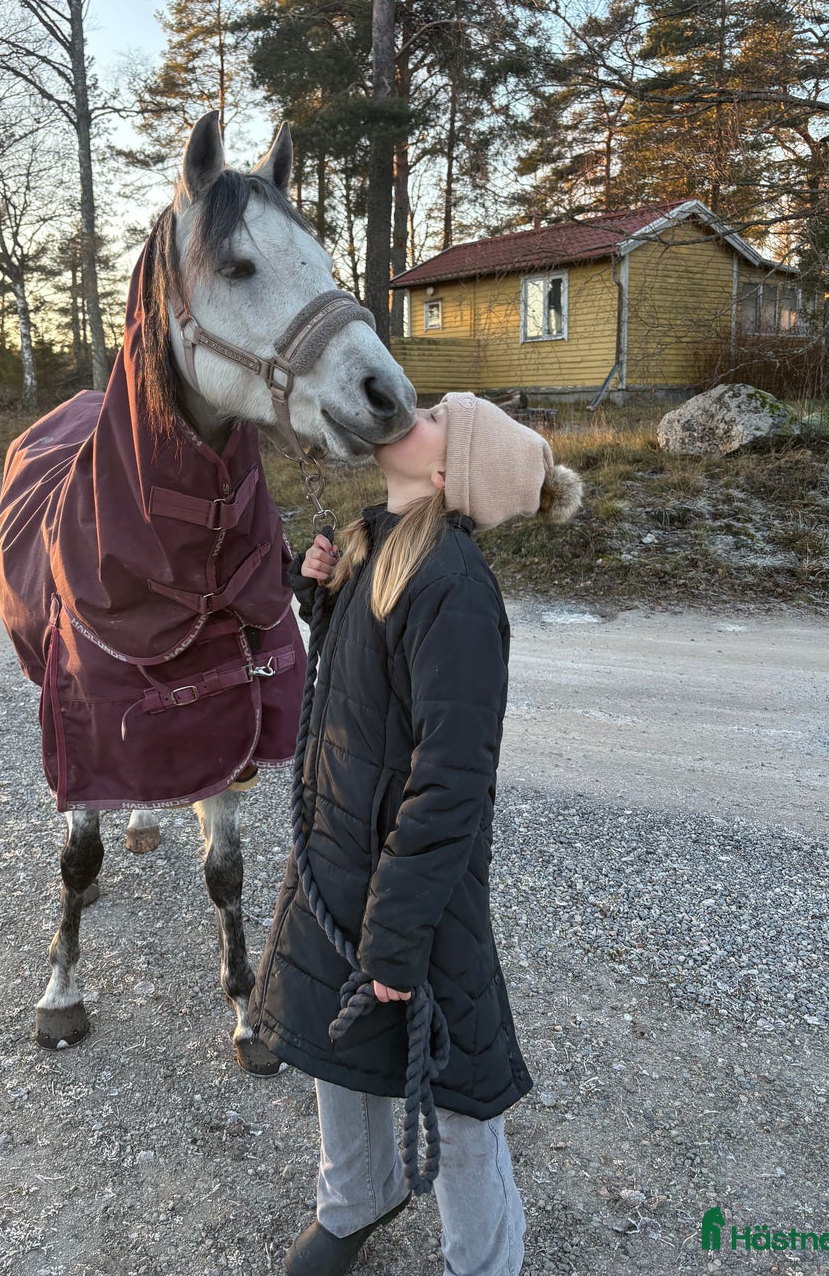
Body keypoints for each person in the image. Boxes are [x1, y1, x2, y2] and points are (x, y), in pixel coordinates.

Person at [249, 392, 583, 1276]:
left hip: (415, 891)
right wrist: (319, 599)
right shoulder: (379, 550)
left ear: (446, 472)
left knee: (456, 1085)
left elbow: (453, 776)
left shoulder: (454, 588)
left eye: (438, 415)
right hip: (343, 861)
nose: (415, 408)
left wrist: (398, 933)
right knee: (339, 1030)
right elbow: (367, 695)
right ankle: (356, 1197)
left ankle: (487, 1260)